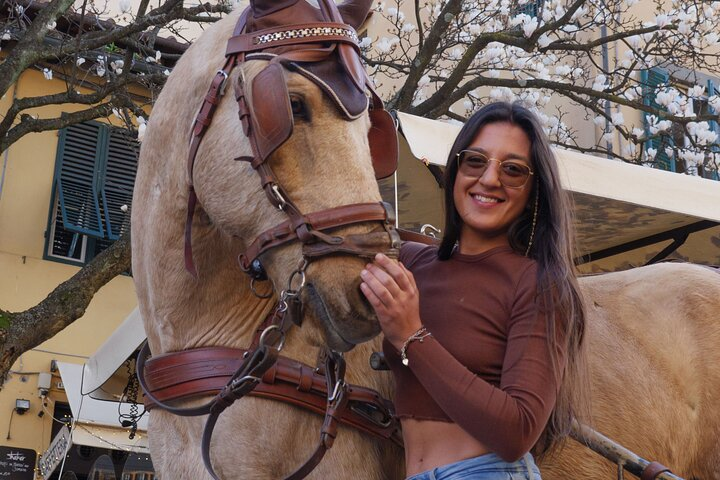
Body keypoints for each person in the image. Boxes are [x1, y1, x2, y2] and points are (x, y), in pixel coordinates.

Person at [359, 101, 587, 480]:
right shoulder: (413, 262)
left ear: (533, 191)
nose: (489, 179)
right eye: (475, 161)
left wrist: (411, 336)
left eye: (513, 170)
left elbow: (518, 431)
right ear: (455, 170)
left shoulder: (538, 284)